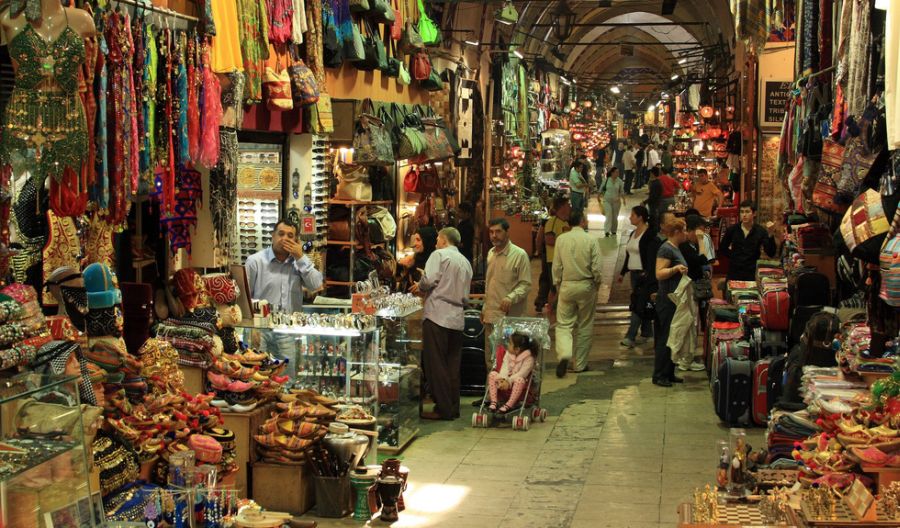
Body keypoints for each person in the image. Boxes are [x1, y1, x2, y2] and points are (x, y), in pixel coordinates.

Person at [246, 220, 324, 376]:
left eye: (290, 235)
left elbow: (316, 284)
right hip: (260, 330)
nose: (285, 238)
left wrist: (301, 257)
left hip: (287, 330)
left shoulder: (299, 264)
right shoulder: (255, 262)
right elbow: (245, 297)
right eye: (281, 234)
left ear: (296, 241)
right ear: (272, 236)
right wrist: (250, 327)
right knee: (257, 376)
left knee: (286, 378)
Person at [411, 227, 473, 420]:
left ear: (444, 240)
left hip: (438, 314)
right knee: (452, 366)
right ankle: (453, 407)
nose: (436, 241)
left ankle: (443, 409)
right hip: (456, 317)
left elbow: (428, 280)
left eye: (438, 238)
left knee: (435, 365)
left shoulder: (439, 255)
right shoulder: (465, 261)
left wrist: (420, 284)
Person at [552, 209, 603, 377]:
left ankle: (565, 354)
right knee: (585, 324)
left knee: (564, 324)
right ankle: (580, 364)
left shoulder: (561, 240)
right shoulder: (591, 240)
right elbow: (596, 267)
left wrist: (557, 283)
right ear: (582, 221)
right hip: (586, 284)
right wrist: (597, 282)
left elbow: (557, 266)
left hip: (567, 285)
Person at [482, 218, 532, 369]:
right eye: (491, 232)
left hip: (509, 320)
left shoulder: (519, 255)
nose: (494, 236)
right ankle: (492, 391)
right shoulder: (491, 254)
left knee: (509, 361)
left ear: (507, 232)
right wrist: (485, 308)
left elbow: (526, 284)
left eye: (498, 231)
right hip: (491, 316)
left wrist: (511, 297)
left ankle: (508, 391)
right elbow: (489, 284)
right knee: (491, 360)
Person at [652, 216, 689, 387]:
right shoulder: (666, 249)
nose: (686, 233)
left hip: (675, 299)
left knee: (673, 336)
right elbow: (659, 273)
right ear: (676, 232)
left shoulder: (675, 248)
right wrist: (675, 269)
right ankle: (659, 374)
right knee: (665, 337)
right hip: (667, 299)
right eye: (684, 230)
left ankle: (669, 372)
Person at [618, 206, 659, 348]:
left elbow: (651, 256)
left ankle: (630, 335)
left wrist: (648, 272)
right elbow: (629, 254)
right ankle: (647, 333)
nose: (630, 217)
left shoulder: (649, 234)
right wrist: (623, 272)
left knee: (637, 305)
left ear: (640, 217)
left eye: (633, 215)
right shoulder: (633, 233)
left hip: (644, 275)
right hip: (634, 275)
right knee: (643, 303)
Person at [719, 200, 778, 282]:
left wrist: (771, 234)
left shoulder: (760, 231)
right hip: (734, 272)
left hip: (751, 273)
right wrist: (734, 256)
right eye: (742, 212)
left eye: (747, 212)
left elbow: (771, 253)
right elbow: (722, 248)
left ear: (754, 214)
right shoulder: (732, 230)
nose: (744, 215)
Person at [534, 197, 570, 313]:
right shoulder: (551, 222)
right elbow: (548, 239)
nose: (570, 207)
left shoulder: (565, 221)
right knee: (553, 287)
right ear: (563, 207)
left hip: (562, 260)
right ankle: (551, 311)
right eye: (567, 205)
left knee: (554, 285)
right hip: (553, 260)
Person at [487, 332, 536, 413]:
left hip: (519, 386)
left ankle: (509, 404)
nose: (507, 345)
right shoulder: (508, 354)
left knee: (520, 379)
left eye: (510, 343)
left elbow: (523, 373)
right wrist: (502, 379)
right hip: (504, 383)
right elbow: (504, 367)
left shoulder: (529, 358)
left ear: (517, 349)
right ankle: (494, 401)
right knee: (493, 374)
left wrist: (509, 381)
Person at [396, 227, 438, 292]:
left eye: (418, 240)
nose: (415, 244)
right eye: (415, 240)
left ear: (427, 241)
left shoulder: (436, 261)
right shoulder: (416, 258)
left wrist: (422, 285)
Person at [600, 166, 626, 237]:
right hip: (607, 200)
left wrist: (623, 199)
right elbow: (601, 188)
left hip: (616, 202)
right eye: (616, 172)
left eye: (618, 172)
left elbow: (622, 191)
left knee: (615, 217)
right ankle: (607, 231)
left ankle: (614, 230)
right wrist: (598, 196)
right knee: (609, 215)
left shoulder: (620, 181)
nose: (618, 173)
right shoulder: (606, 180)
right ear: (612, 173)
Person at [646, 166, 663, 231]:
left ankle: (654, 232)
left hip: (654, 204)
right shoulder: (657, 182)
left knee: (653, 219)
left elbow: (653, 196)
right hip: (656, 204)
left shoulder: (655, 183)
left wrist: (645, 202)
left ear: (652, 173)